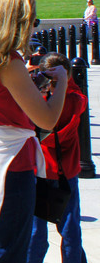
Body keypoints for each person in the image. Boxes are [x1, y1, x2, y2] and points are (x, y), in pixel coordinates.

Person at [0, 0, 68, 263]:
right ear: (18, 22)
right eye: (33, 20)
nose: (35, 27)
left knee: (2, 242)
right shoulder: (9, 63)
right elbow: (47, 119)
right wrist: (62, 83)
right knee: (12, 249)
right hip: (14, 165)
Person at [28, 53, 88, 263]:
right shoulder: (75, 101)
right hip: (67, 173)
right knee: (70, 230)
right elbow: (77, 95)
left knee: (35, 233)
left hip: (40, 173)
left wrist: (37, 84)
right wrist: (64, 79)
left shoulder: (38, 104)